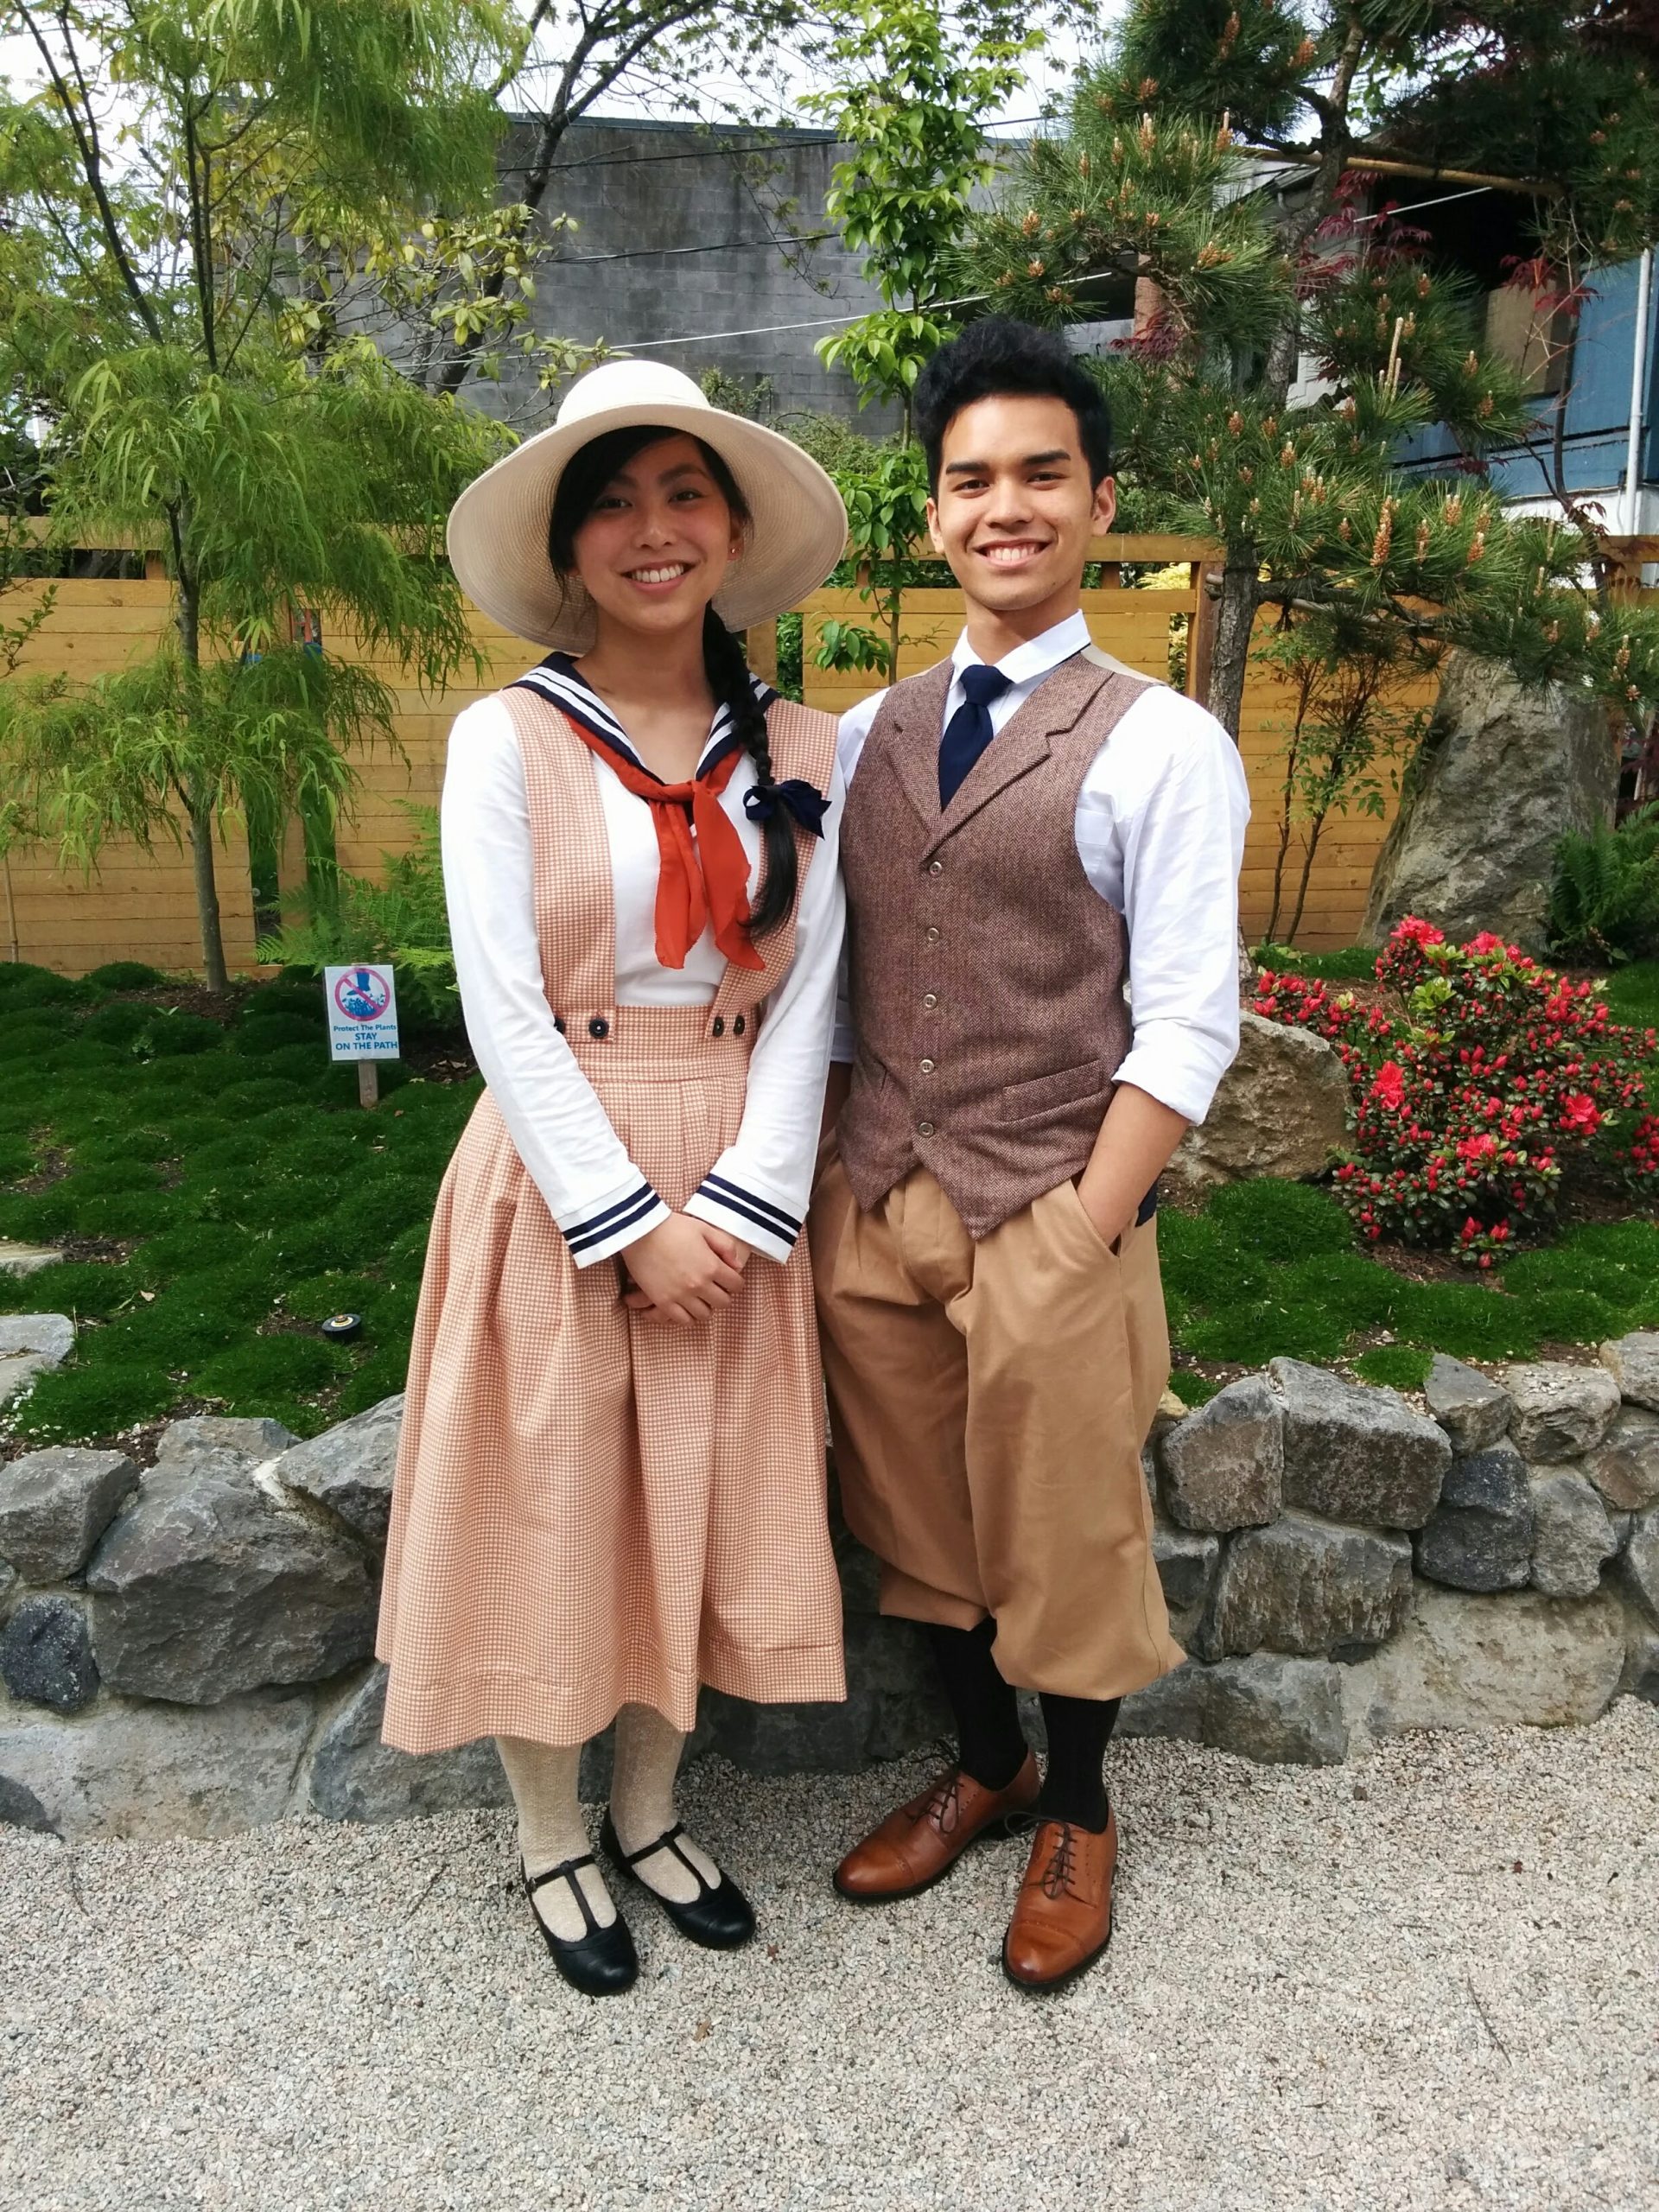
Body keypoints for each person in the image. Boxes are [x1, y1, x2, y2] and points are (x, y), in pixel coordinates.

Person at [377, 360, 851, 1998]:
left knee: (693, 1501)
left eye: (683, 494)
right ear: (571, 545)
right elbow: (498, 1000)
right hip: (559, 1164)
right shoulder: (502, 740)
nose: (652, 532)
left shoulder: (804, 742)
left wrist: (739, 1200)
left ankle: (651, 1811)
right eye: (612, 502)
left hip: (732, 1169)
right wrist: (626, 1222)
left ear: (729, 526)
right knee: (548, 1498)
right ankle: (547, 1836)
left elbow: (818, 995)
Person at [811, 317, 1249, 1993]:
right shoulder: (860, 737)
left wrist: (1083, 1223)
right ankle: (983, 1761)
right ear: (931, 512)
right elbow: (837, 983)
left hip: (1052, 1201)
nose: (1006, 504)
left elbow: (1189, 1017)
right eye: (971, 477)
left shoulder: (1159, 741)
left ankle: (1078, 1803)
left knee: (1066, 1528)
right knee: (916, 1519)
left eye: (1040, 473)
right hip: (877, 1198)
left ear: (1097, 500)